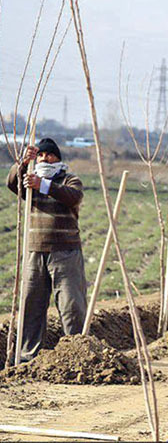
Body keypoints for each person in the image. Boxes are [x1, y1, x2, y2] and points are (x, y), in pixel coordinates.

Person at [6, 137, 86, 363]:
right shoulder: (30, 181)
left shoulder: (69, 179)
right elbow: (12, 183)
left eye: (49, 155)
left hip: (66, 252)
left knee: (72, 305)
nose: (44, 158)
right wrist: (23, 162)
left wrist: (44, 186)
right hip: (35, 252)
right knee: (32, 305)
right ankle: (27, 358)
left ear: (58, 158)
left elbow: (73, 196)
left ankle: (77, 355)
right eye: (40, 155)